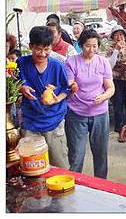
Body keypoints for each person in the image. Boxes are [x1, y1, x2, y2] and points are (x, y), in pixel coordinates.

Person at [65, 29, 115, 179]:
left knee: (100, 153)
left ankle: (100, 186)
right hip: (76, 113)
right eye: (87, 46)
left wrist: (103, 97)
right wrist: (72, 87)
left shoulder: (103, 61)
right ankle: (74, 184)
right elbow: (69, 83)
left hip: (99, 113)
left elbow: (110, 87)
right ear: (81, 45)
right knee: (76, 154)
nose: (91, 50)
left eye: (95, 46)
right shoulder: (72, 61)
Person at [17, 26, 70, 169]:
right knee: (33, 166)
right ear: (30, 46)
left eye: (47, 49)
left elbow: (66, 89)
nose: (42, 53)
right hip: (30, 122)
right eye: (38, 49)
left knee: (60, 165)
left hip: (54, 120)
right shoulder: (21, 63)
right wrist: (21, 88)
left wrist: (57, 99)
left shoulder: (57, 66)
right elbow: (13, 84)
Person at [106, 25, 126, 142]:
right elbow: (109, 65)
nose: (119, 37)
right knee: (117, 104)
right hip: (116, 79)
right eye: (116, 34)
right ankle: (119, 129)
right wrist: (116, 51)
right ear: (113, 37)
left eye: (121, 34)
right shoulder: (110, 49)